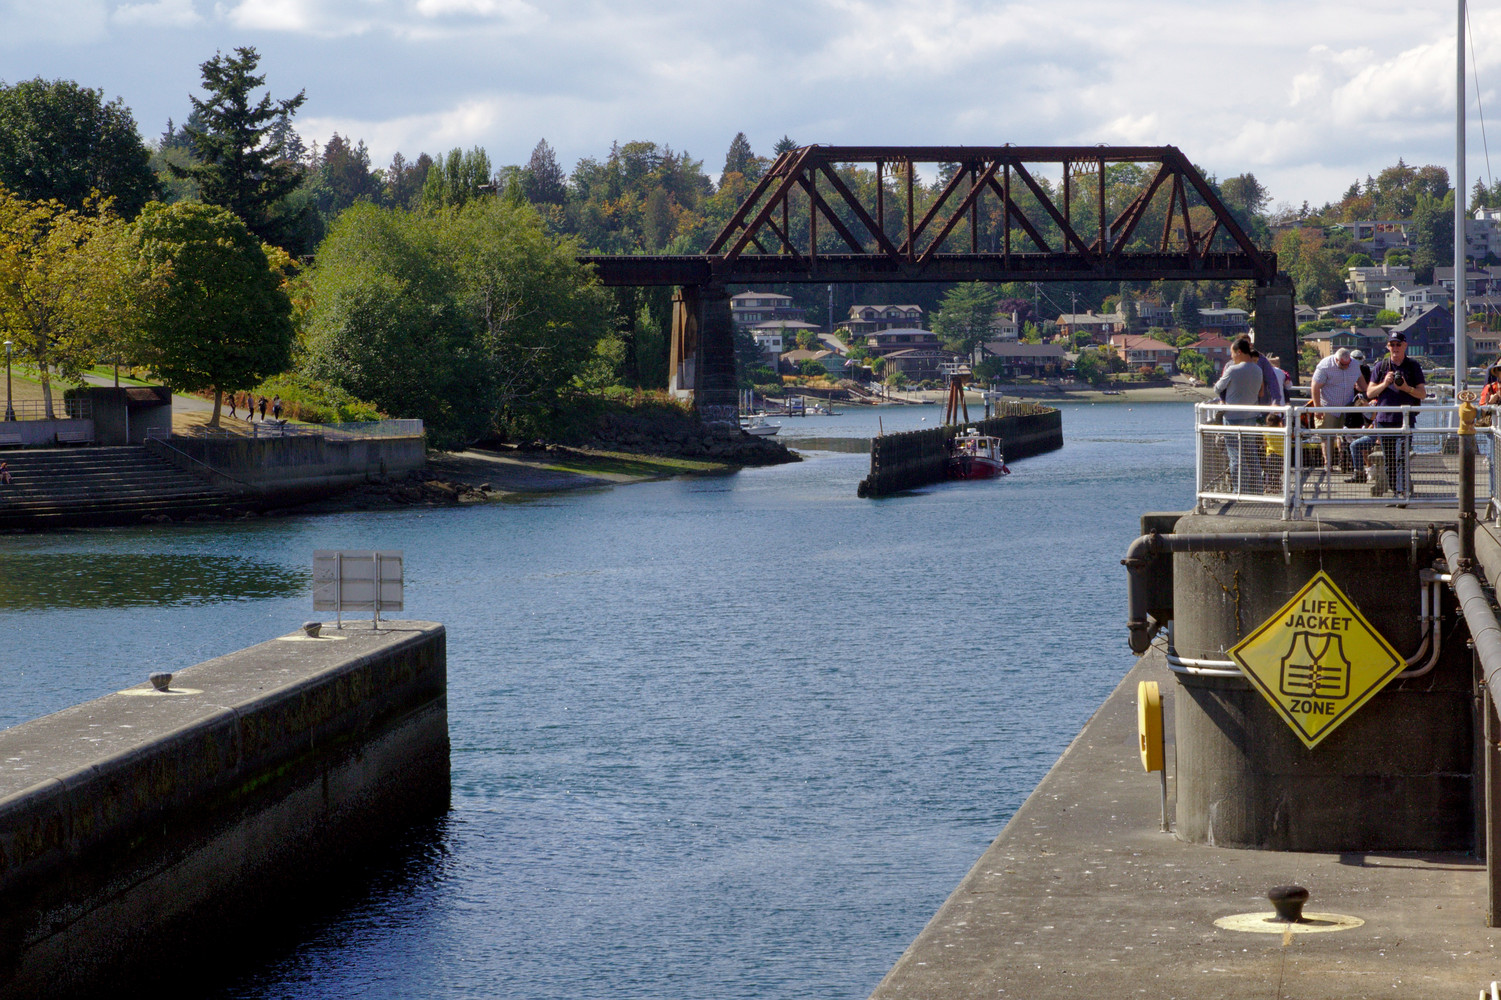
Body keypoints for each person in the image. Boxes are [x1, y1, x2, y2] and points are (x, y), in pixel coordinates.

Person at [1365, 330, 1427, 499]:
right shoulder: (1381, 366)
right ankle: (1395, 491)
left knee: (1402, 457)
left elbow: (1422, 393)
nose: (1395, 348)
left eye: (1398, 344)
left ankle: (1402, 491)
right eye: (1392, 344)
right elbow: (1369, 393)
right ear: (1388, 346)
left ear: (1405, 345)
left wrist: (1406, 388)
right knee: (1390, 460)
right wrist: (1385, 383)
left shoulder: (1413, 366)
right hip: (1384, 420)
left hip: (1405, 420)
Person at [1214, 337, 1265, 492]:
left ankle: (1240, 491)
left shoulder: (1233, 370)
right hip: (1251, 416)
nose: (1231, 357)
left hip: (1232, 417)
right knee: (1251, 455)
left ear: (1239, 352)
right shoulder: (1258, 369)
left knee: (1235, 456)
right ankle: (1257, 489)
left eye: (1232, 353)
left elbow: (1217, 388)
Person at [1310, 348, 1369, 473]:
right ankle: (1328, 464)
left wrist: (1370, 396)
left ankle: (1345, 463)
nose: (1346, 367)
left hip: (1347, 408)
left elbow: (1363, 385)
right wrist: (1317, 407)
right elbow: (1315, 386)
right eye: (1343, 364)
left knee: (1346, 436)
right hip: (1328, 407)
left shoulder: (1354, 365)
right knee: (1327, 437)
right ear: (1336, 360)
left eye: (1348, 364)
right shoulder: (1325, 365)